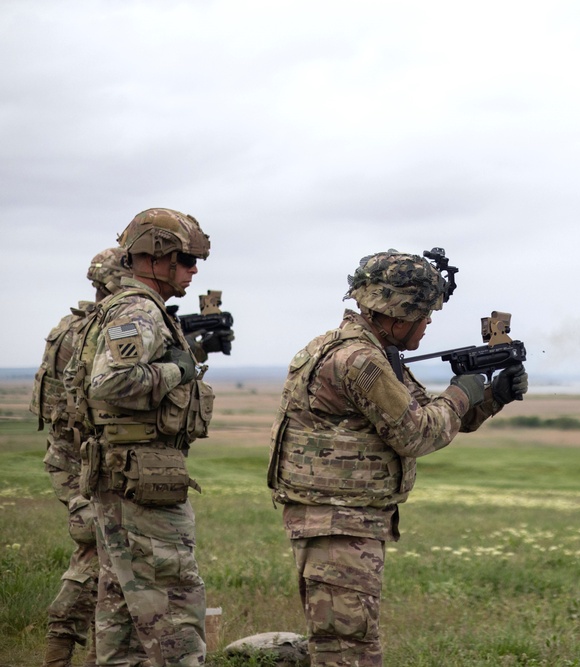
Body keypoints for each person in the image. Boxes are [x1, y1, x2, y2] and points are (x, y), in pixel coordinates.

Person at [267, 249, 529, 667]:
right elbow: (418, 433)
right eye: (424, 315)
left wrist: (493, 396)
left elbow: (427, 412)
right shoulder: (360, 360)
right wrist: (462, 392)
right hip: (338, 523)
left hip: (345, 520)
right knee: (348, 651)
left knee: (350, 644)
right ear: (397, 314)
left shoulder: (364, 350)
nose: (427, 325)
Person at [72, 208, 214, 666]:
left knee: (122, 619)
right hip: (142, 486)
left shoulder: (133, 308)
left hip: (124, 478)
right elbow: (109, 383)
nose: (195, 271)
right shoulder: (138, 309)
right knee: (174, 612)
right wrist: (179, 369)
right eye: (188, 260)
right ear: (158, 257)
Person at [30, 247, 131, 667]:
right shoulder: (93, 331)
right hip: (82, 460)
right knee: (100, 551)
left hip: (68, 456)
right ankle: (64, 646)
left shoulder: (70, 325)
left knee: (105, 552)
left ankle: (91, 652)